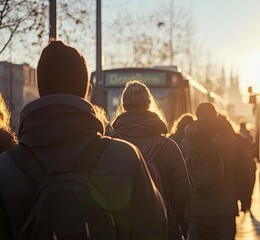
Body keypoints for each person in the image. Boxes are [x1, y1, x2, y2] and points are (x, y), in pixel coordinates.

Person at [0, 41, 168, 239]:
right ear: (87, 89)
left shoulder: (6, 168)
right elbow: (156, 229)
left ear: (40, 87)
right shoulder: (126, 157)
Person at [111, 81, 191, 240]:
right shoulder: (169, 147)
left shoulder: (109, 144)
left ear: (124, 105)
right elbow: (182, 194)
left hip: (121, 231)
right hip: (161, 229)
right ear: (149, 103)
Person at [184, 102, 254, 240]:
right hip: (224, 209)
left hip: (197, 209)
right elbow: (244, 174)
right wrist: (245, 198)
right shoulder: (231, 142)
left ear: (197, 116)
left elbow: (180, 177)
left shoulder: (186, 142)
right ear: (215, 115)